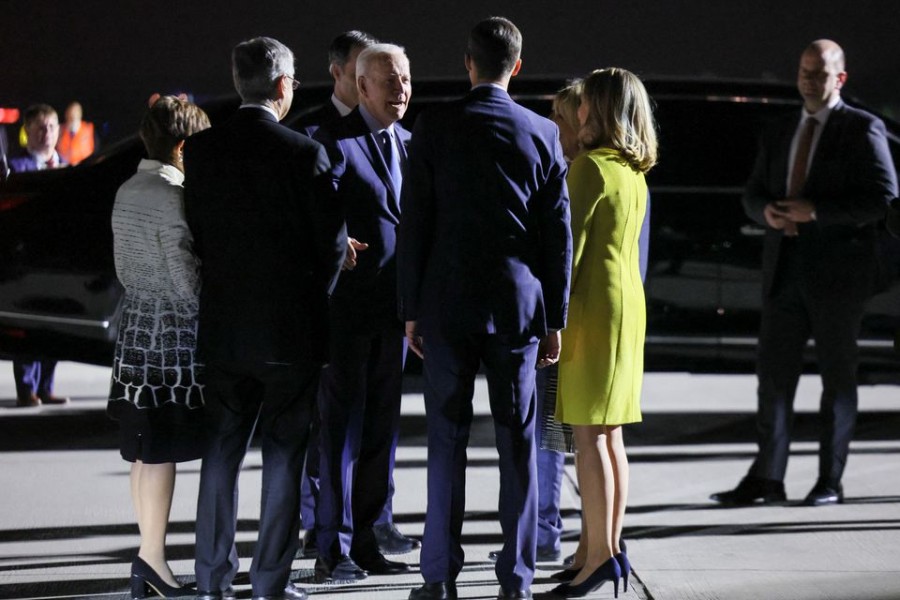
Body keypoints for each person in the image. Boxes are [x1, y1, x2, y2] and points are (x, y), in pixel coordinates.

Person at [398, 17, 572, 600]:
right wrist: (555, 319)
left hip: (446, 305)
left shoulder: (433, 125)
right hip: (517, 308)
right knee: (517, 442)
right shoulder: (542, 133)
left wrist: (411, 308)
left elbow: (415, 223)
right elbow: (558, 235)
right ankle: (516, 580)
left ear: (467, 62)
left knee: (445, 441)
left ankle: (438, 576)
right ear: (517, 66)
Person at [185, 37, 346, 600]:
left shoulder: (200, 151)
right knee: (283, 457)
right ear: (281, 86)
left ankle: (211, 579)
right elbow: (332, 245)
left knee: (220, 454)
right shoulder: (305, 153)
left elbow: (198, 235)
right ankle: (269, 583)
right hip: (289, 332)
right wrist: (312, 298)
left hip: (224, 327)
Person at [711, 39, 898, 508]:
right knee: (773, 381)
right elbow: (752, 193)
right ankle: (768, 478)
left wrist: (816, 212)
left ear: (840, 78)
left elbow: (883, 198)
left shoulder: (862, 127)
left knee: (837, 381)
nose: (810, 81)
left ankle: (829, 481)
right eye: (804, 71)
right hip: (784, 270)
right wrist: (766, 212)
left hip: (838, 276)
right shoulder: (781, 129)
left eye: (820, 73)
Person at [549, 68, 657, 599]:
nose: (579, 111)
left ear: (600, 109)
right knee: (610, 436)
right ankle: (604, 551)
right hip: (626, 308)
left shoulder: (589, 167)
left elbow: (565, 254)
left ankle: (598, 559)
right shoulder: (632, 171)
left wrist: (549, 321)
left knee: (590, 437)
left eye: (586, 103)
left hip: (592, 311)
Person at [311, 42, 414, 583]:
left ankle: (370, 540)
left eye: (406, 79)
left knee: (380, 432)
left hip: (396, 315)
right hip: (348, 315)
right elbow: (314, 210)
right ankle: (333, 547)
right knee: (341, 435)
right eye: (389, 80)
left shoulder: (411, 144)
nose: (401, 89)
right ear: (362, 86)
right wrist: (337, 240)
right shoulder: (333, 141)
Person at [107, 94, 210, 598]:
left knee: (142, 451)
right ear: (183, 145)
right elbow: (184, 275)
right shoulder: (172, 195)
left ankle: (147, 557)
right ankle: (153, 560)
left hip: (134, 331)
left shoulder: (128, 187)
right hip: (167, 337)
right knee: (160, 450)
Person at [7, 104, 69, 408]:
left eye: (52, 127)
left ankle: (46, 386)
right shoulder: (15, 168)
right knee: (30, 324)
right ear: (28, 131)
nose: (47, 133)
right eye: (41, 127)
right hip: (26, 259)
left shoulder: (68, 167)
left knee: (55, 325)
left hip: (59, 259)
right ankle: (26, 388)